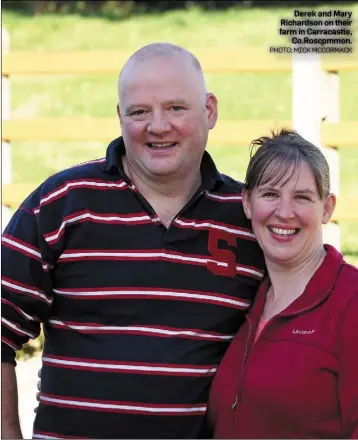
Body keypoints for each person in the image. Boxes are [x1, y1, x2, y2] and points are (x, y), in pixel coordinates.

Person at [1, 42, 265, 439]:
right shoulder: (64, 204)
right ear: (120, 117)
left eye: (176, 108)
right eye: (139, 111)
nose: (158, 126)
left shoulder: (247, 219)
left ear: (209, 111)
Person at [208, 129, 358, 439]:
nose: (284, 213)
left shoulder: (350, 300)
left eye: (301, 197)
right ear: (247, 202)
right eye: (270, 194)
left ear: (327, 208)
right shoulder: (241, 296)